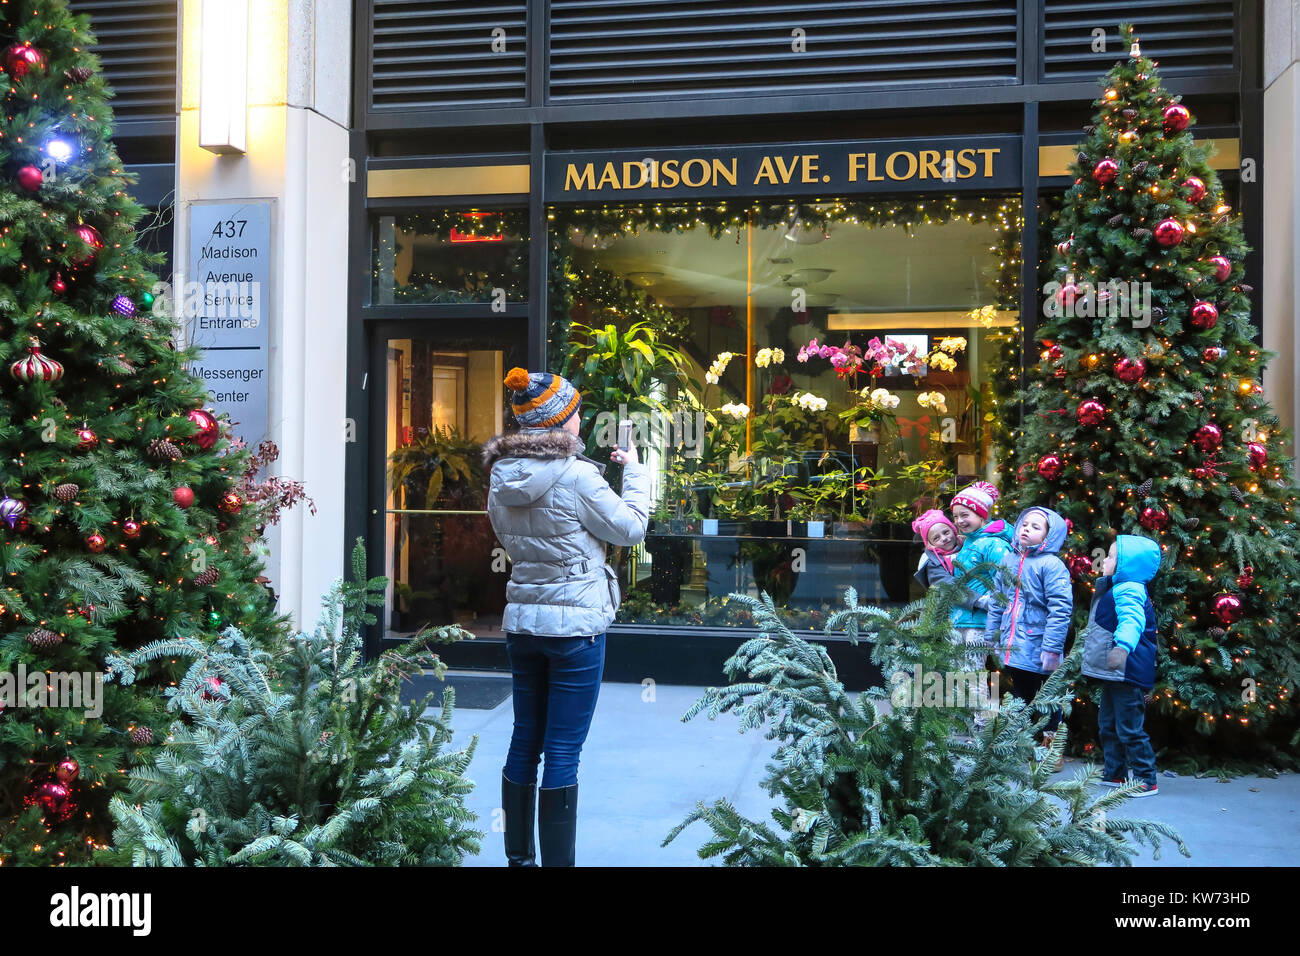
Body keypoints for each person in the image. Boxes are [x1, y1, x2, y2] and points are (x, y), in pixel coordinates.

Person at [483, 367, 649, 866]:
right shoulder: (578, 477)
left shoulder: (500, 475)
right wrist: (637, 472)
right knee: (562, 752)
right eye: (575, 411)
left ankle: (519, 859)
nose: (580, 419)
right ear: (560, 423)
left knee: (523, 740)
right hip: (576, 628)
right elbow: (631, 529)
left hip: (523, 625)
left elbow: (509, 538)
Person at [1081, 534, 1162, 797]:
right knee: (1108, 724)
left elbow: (1132, 621)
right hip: (1114, 673)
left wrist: (1122, 648)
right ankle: (1115, 773)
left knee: (1129, 727)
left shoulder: (1130, 589)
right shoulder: (1119, 586)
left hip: (1126, 670)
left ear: (1128, 565)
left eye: (1113, 556)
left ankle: (1146, 779)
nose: (1105, 560)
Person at [984, 506, 1073, 745]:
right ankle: (1012, 742)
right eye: (1024, 524)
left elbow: (1060, 609)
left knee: (1047, 697)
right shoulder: (1009, 560)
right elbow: (997, 600)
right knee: (1020, 693)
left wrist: (1053, 648)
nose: (1026, 529)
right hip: (1014, 644)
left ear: (1048, 536)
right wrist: (992, 635)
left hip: (1040, 645)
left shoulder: (1051, 565)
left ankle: (1051, 744)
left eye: (1035, 527)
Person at [949, 481, 1013, 646]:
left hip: (980, 622)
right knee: (958, 670)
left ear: (981, 515)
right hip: (960, 618)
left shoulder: (994, 544)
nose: (959, 521)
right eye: (955, 516)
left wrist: (989, 603)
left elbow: (1006, 582)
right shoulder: (969, 541)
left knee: (971, 671)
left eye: (965, 515)